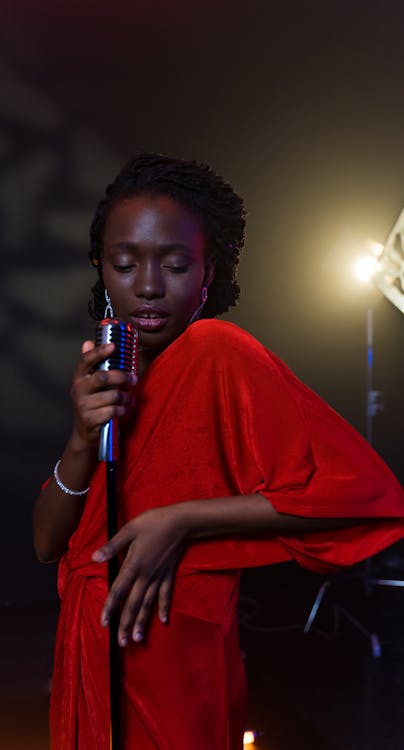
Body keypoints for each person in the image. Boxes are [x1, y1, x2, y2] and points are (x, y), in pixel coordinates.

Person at [33, 153, 404, 749]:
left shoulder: (218, 353)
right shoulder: (110, 372)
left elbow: (365, 497)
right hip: (89, 653)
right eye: (126, 264)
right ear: (101, 267)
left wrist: (180, 521)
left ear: (209, 274)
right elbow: (50, 544)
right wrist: (81, 435)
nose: (149, 286)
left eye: (176, 265)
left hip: (172, 658)